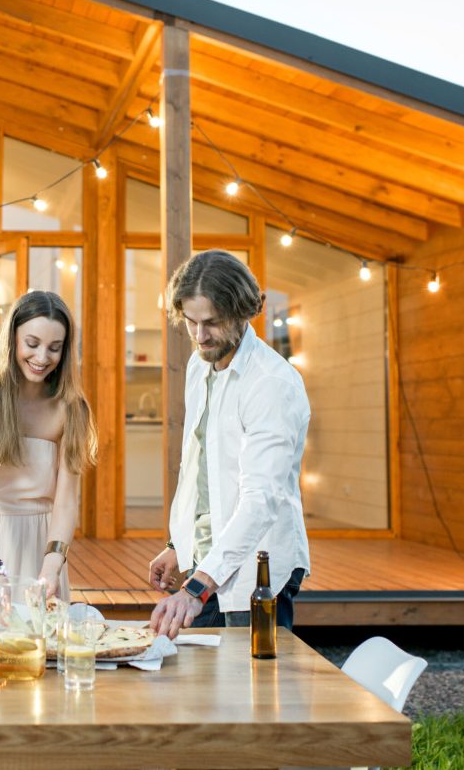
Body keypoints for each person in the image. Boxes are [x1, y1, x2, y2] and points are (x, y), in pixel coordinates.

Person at [149, 250, 310, 639]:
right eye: (191, 322)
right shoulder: (198, 365)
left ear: (244, 312)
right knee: (198, 691)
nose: (201, 336)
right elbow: (198, 470)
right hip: (206, 568)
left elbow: (260, 500)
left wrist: (197, 585)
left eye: (212, 323)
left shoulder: (271, 383)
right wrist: (179, 545)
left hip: (257, 573)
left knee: (255, 692)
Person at [0, 291, 97, 621]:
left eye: (55, 348)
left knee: (39, 648)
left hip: (40, 542)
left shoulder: (71, 410)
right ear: (12, 340)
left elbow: (66, 502)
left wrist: (51, 567)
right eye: (33, 343)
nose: (42, 357)